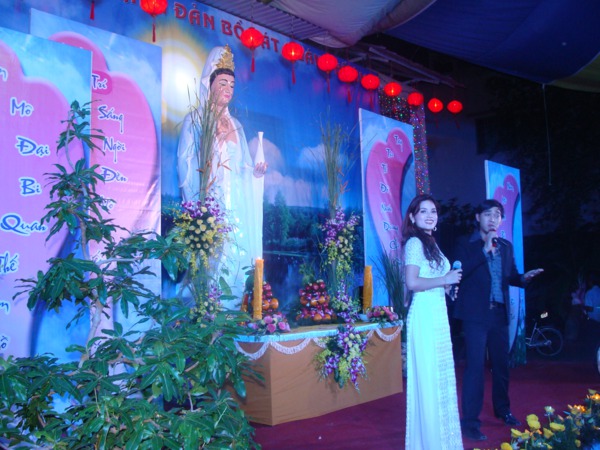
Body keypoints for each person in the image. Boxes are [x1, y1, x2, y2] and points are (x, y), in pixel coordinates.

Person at [177, 45, 267, 305]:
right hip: (212, 202)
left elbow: (244, 166)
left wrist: (256, 173)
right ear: (210, 84)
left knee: (238, 254)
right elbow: (185, 164)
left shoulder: (236, 125)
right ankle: (210, 311)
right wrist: (198, 206)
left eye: (232, 85)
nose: (228, 89)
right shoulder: (196, 119)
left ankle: (238, 308)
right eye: (223, 83)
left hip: (236, 203)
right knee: (214, 257)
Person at [452, 199, 543, 441]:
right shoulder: (465, 243)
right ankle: (470, 422)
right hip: (475, 316)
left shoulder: (505, 246)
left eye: (497, 215)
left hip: (499, 314)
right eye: (488, 214)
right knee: (474, 368)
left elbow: (510, 276)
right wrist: (484, 250)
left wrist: (523, 279)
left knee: (501, 366)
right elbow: (459, 273)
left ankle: (503, 410)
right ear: (478, 218)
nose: (493, 219)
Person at [402, 194, 464, 450]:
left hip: (438, 315)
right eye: (423, 211)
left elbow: (434, 280)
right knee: (428, 382)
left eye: (434, 211)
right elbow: (412, 283)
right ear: (412, 216)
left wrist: (448, 288)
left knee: (439, 379)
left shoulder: (431, 244)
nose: (430, 216)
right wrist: (444, 280)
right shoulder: (414, 243)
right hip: (424, 316)